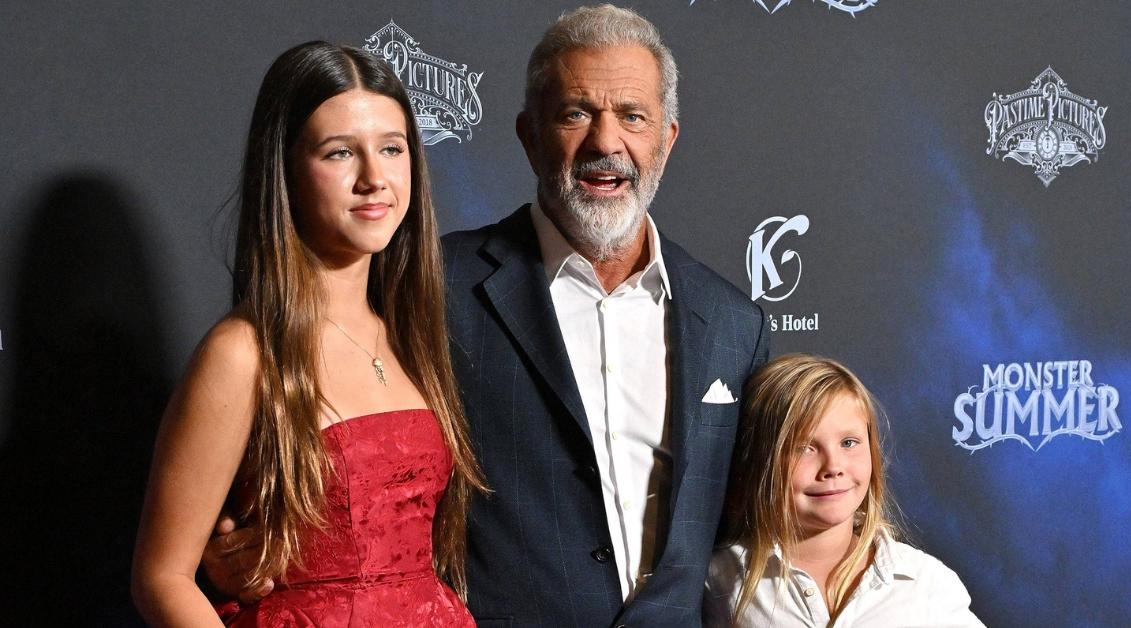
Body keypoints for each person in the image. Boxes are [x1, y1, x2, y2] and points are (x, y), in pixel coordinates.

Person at [206, 6, 770, 625]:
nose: (606, 143)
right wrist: (253, 545)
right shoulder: (427, 288)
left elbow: (761, 522)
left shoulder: (732, 324)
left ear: (667, 138)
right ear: (529, 135)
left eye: (632, 117)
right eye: (575, 114)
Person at [131, 41, 485, 627]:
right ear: (287, 170)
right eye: (340, 152)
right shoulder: (243, 352)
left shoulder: (409, 336)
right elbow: (162, 578)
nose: (374, 178)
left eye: (392, 149)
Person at [703, 355, 984, 627]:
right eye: (803, 448)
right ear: (759, 460)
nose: (833, 466)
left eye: (849, 443)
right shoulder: (717, 581)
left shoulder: (924, 583)